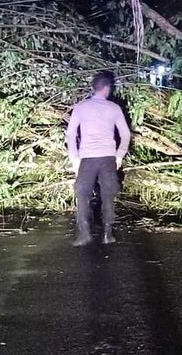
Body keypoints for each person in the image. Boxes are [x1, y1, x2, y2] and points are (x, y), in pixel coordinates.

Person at [66, 72, 131, 246]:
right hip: (108, 158)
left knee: (82, 194)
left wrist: (74, 158)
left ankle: (84, 234)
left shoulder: (81, 107)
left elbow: (71, 134)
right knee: (108, 195)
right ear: (107, 88)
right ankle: (107, 234)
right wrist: (119, 155)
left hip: (87, 158)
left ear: (94, 88)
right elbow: (125, 134)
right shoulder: (114, 108)